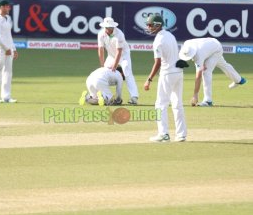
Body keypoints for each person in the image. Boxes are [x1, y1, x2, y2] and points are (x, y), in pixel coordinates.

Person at [144, 13, 187, 142]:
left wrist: (149, 79)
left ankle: (163, 134)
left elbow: (157, 63)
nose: (149, 27)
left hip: (167, 73)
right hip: (178, 73)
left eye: (151, 25)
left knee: (160, 104)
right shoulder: (170, 35)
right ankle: (181, 135)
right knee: (177, 104)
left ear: (158, 25)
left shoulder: (158, 40)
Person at [179, 37, 247, 107]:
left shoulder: (199, 55)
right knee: (223, 64)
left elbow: (198, 77)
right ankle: (239, 80)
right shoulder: (187, 43)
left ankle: (208, 101)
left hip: (216, 49)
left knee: (206, 72)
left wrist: (195, 95)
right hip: (212, 44)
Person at [97, 17, 139, 104]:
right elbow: (100, 49)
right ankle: (104, 96)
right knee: (103, 73)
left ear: (112, 27)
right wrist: (101, 64)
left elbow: (119, 52)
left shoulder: (119, 34)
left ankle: (134, 97)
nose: (107, 29)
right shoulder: (101, 34)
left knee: (127, 72)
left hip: (124, 56)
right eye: (105, 27)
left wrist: (115, 66)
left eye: (108, 27)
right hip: (111, 56)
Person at [0, 0, 18, 103]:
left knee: (8, 73)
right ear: (1, 7)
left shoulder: (7, 18)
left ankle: (6, 97)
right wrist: (6, 49)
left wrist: (13, 49)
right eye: (7, 6)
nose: (9, 8)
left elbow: (8, 36)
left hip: (8, 50)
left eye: (9, 6)